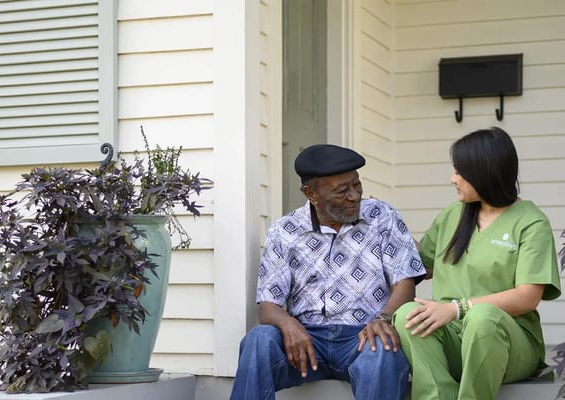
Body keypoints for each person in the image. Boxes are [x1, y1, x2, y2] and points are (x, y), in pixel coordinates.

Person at [230, 144, 426, 400]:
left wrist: (383, 319)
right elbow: (267, 305)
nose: (354, 195)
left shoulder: (383, 218)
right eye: (342, 190)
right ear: (311, 194)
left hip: (363, 336)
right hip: (306, 340)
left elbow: (404, 283)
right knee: (259, 340)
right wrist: (287, 323)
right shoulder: (285, 230)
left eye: (357, 185)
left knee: (382, 351)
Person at [394, 127, 562, 400]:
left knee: (483, 318)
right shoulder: (452, 215)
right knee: (407, 316)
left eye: (460, 172)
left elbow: (527, 297)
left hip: (508, 342)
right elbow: (421, 265)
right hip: (455, 339)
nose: (452, 179)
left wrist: (457, 309)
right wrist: (388, 226)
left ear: (485, 172)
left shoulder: (531, 222)